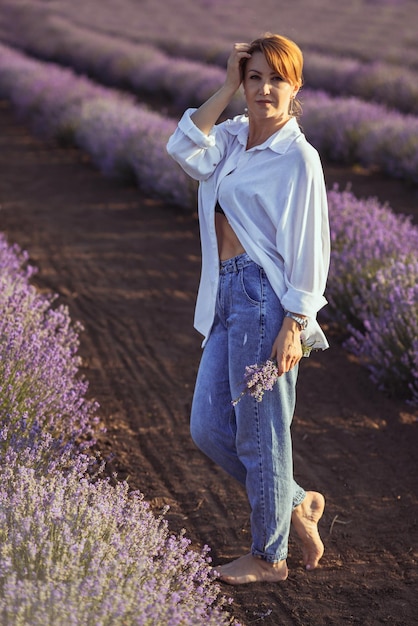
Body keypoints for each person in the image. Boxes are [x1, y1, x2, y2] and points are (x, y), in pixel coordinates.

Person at [166, 33, 330, 585]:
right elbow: (183, 148)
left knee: (261, 435)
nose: (264, 90)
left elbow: (312, 249)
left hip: (265, 304)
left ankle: (269, 556)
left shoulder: (298, 159)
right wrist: (226, 84)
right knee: (209, 427)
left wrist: (296, 323)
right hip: (224, 297)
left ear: (295, 86)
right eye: (254, 78)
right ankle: (297, 501)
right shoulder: (232, 138)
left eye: (275, 80)